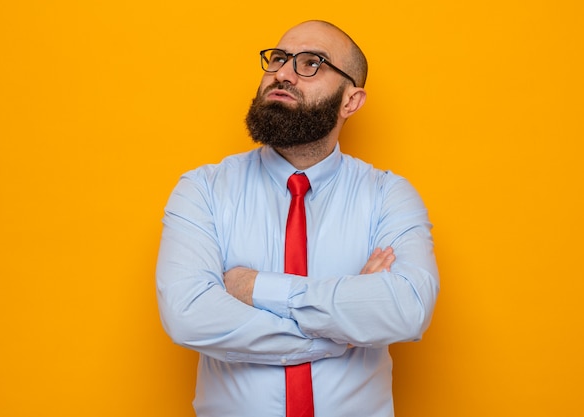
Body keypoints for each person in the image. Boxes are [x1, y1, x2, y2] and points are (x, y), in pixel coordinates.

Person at [156, 20, 439, 417]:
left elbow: (407, 308)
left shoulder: (387, 196)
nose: (283, 74)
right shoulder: (203, 189)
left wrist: (256, 288)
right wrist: (343, 325)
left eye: (311, 64)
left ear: (351, 101)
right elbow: (189, 316)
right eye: (277, 59)